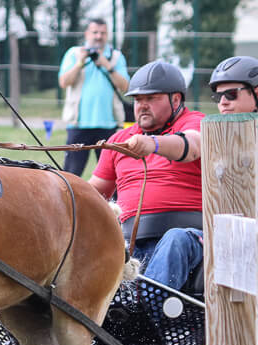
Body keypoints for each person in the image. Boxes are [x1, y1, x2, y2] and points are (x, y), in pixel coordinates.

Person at [89, 61, 204, 290]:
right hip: (128, 241)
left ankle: (146, 301)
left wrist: (153, 143)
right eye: (138, 99)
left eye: (151, 98)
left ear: (176, 100)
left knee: (175, 239)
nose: (142, 105)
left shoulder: (195, 122)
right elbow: (93, 192)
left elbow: (192, 146)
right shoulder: (119, 140)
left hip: (186, 237)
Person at [58, 18, 130, 176]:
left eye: (103, 33)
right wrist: (79, 63)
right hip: (78, 124)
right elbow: (64, 82)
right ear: (87, 34)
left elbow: (125, 87)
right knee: (71, 174)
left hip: (108, 125)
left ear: (108, 35)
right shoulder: (73, 53)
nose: (99, 36)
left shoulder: (116, 56)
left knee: (111, 175)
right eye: (95, 32)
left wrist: (107, 65)